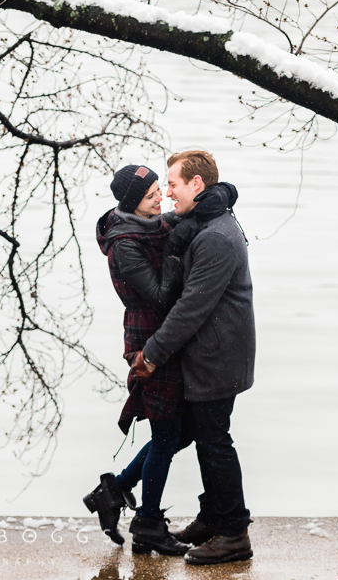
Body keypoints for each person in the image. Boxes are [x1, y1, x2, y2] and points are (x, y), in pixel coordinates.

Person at [87, 163, 234, 556]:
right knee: (168, 434)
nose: (161, 196)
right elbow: (159, 297)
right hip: (149, 339)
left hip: (169, 338)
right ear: (134, 201)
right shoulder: (126, 243)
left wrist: (223, 193)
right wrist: (175, 248)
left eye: (160, 188)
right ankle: (148, 522)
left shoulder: (154, 224)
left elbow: (192, 212)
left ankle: (115, 489)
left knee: (180, 432)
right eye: (153, 193)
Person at [130, 149, 255, 566]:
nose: (168, 193)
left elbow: (191, 308)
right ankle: (212, 518)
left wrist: (152, 353)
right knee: (207, 438)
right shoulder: (206, 223)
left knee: (216, 443)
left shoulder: (215, 236)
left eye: (174, 184)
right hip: (214, 353)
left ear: (196, 185)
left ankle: (234, 534)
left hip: (217, 358)